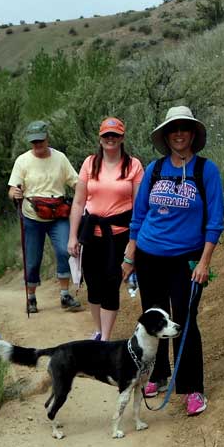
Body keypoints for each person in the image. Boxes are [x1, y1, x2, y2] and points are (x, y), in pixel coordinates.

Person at [122, 106, 224, 416]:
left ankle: (192, 388)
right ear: (166, 136)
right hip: (149, 256)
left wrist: (205, 262)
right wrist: (130, 256)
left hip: (187, 260)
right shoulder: (154, 170)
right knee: (153, 317)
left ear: (192, 133)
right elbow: (139, 217)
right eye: (173, 129)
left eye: (184, 128)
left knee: (184, 320)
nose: (179, 134)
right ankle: (158, 374)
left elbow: (215, 221)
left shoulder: (206, 171)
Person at [68, 117, 144, 340]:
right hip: (91, 233)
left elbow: (139, 207)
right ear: (100, 139)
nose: (110, 139)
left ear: (122, 138)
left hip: (119, 235)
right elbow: (79, 202)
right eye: (106, 136)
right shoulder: (90, 163)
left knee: (111, 284)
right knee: (93, 284)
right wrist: (72, 236)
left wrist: (134, 242)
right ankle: (99, 330)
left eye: (115, 135)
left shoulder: (134, 166)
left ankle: (105, 338)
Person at [8, 120, 81, 313]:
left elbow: (75, 181)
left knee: (65, 250)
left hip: (58, 214)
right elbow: (13, 187)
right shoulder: (22, 161)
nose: (38, 145)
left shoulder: (60, 158)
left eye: (40, 140)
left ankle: (65, 294)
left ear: (47, 138)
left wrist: (87, 192)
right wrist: (14, 193)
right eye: (34, 142)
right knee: (32, 259)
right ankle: (31, 297)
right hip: (32, 216)